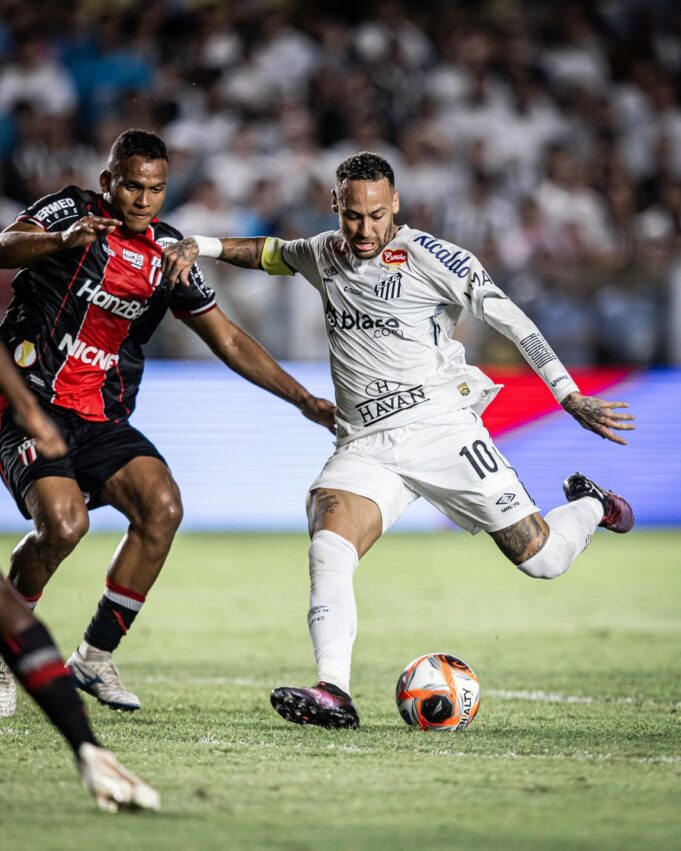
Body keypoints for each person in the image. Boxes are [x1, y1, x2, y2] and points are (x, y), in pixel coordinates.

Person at [161, 151, 635, 730]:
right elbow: (267, 255)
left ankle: (592, 504)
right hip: (364, 442)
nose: (365, 230)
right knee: (328, 542)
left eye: (378, 215)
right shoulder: (324, 252)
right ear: (336, 205)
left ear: (396, 205)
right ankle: (332, 690)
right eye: (353, 216)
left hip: (442, 429)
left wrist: (567, 395)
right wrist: (200, 245)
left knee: (545, 560)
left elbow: (513, 321)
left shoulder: (432, 258)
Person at [0, 128, 335, 715]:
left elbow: (228, 338)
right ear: (110, 182)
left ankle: (95, 656)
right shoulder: (73, 212)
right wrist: (59, 240)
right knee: (65, 524)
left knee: (163, 507)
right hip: (29, 404)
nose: (143, 199)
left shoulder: (170, 252)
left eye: (155, 189)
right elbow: (4, 245)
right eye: (132, 186)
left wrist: (303, 400)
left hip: (102, 417)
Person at [0, 342, 159, 811]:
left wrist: (86, 748)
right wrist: (31, 414)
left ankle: (90, 674)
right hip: (39, 408)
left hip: (95, 420)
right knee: (63, 526)